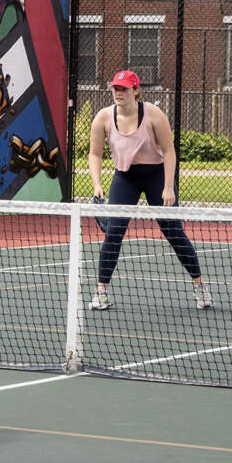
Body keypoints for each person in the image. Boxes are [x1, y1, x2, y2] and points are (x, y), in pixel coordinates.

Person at [86, 69, 210, 311]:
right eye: (115, 88)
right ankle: (101, 293)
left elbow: (169, 150)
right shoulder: (103, 118)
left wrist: (167, 187)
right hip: (125, 177)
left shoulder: (153, 114)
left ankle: (200, 287)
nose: (118, 93)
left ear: (136, 90)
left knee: (174, 232)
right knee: (113, 233)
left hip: (156, 174)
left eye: (123, 89)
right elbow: (95, 153)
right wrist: (97, 184)